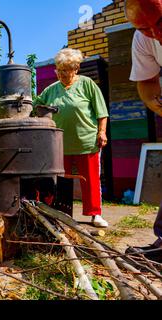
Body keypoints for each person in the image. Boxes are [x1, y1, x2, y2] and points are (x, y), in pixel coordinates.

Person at [34, 48, 110, 228]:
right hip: (60, 144)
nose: (62, 74)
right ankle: (59, 214)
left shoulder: (87, 84)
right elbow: (36, 106)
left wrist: (102, 131)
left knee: (91, 180)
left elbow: (101, 111)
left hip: (86, 141)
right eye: (59, 70)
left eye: (66, 70)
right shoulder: (51, 90)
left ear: (76, 69)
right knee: (59, 181)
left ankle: (95, 214)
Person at [125, 0, 162, 261]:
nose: (155, 34)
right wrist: (157, 105)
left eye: (159, 24)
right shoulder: (143, 38)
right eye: (145, 28)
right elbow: (148, 82)